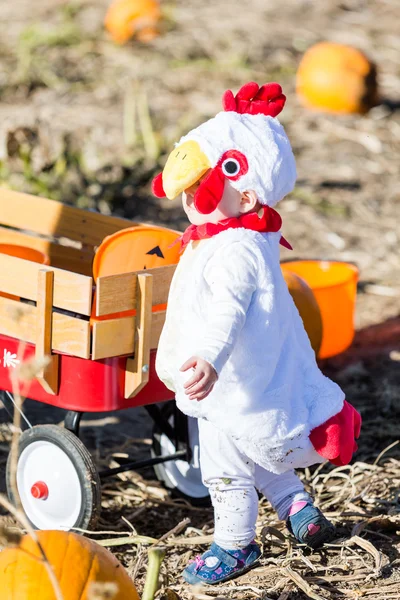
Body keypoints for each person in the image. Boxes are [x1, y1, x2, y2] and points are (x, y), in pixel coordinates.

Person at [152, 82, 361, 585]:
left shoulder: (237, 250)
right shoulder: (232, 237)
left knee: (223, 465)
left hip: (229, 378)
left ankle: (235, 544)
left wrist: (207, 358)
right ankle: (296, 506)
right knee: (248, 445)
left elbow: (227, 310)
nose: (189, 192)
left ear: (246, 193)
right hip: (238, 375)